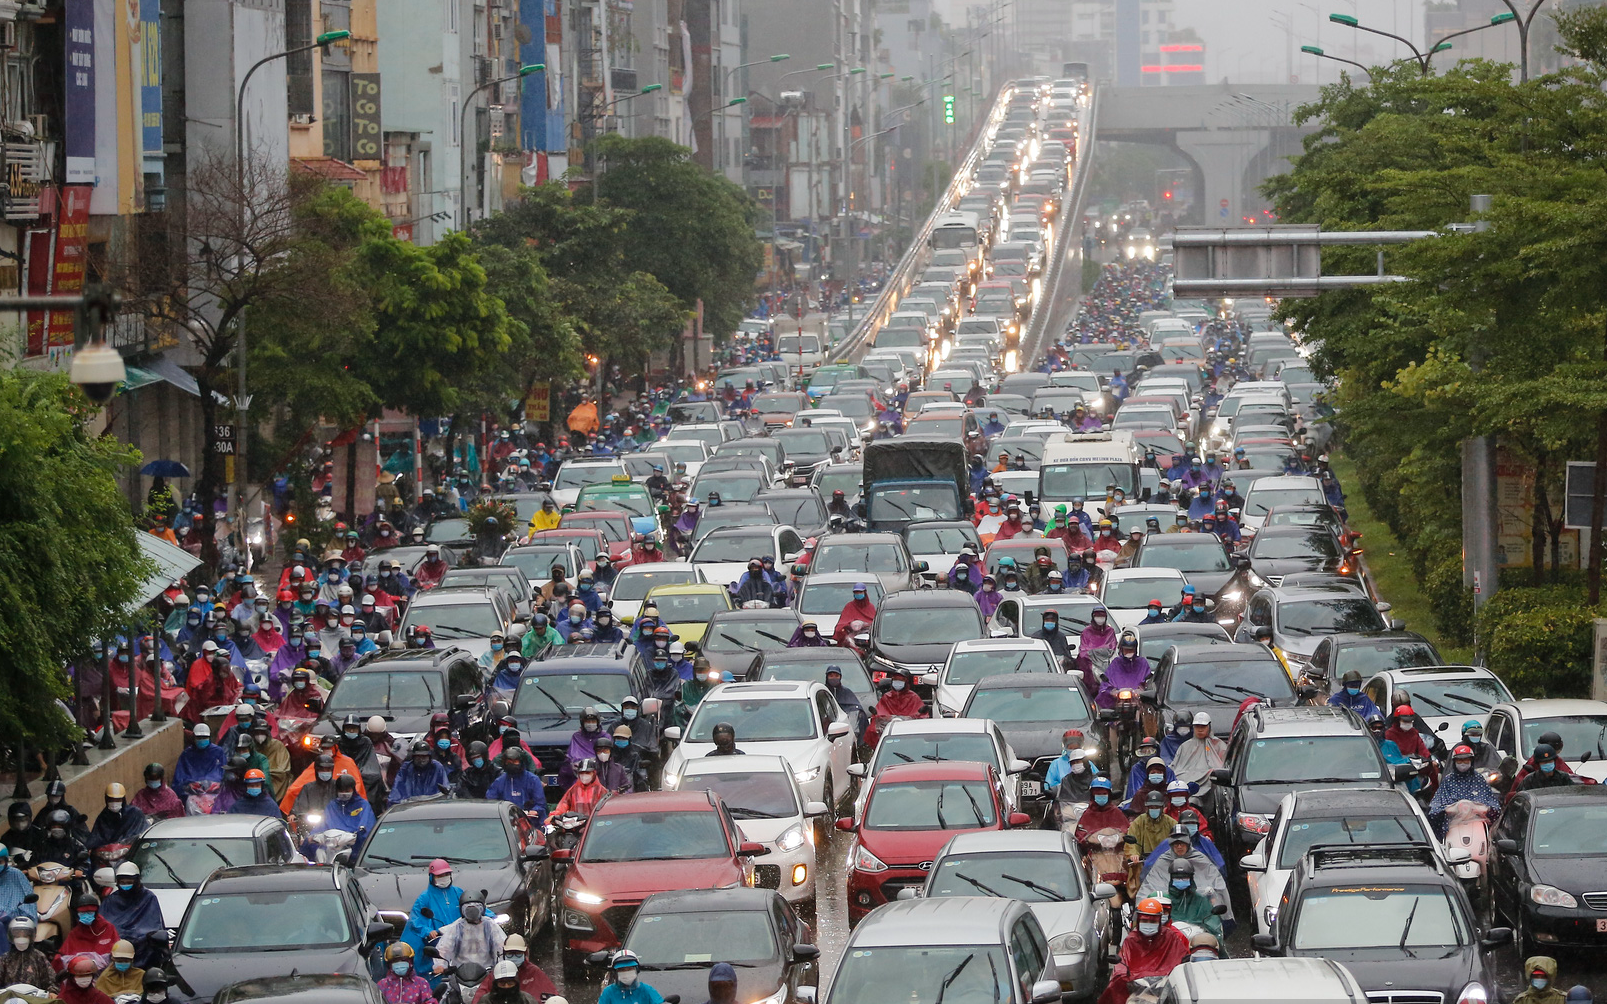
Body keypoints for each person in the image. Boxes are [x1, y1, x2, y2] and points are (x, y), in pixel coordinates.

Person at [1096, 897, 1188, 1004]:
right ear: (1138, 920)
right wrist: (1123, 976)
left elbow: (1182, 960)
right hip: (1136, 989)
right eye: (1145, 920)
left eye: (1153, 921)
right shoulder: (1132, 939)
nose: (1148, 924)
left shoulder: (1170, 937)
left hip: (1165, 988)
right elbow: (1122, 963)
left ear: (1159, 921)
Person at [1428, 744, 1502, 838]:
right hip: (1452, 825)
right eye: (1459, 760)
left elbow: (1493, 804)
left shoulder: (1478, 779)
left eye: (1466, 760)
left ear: (1471, 761)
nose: (1463, 763)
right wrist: (1449, 810)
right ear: (1454, 762)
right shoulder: (1448, 780)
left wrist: (1483, 809)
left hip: (1477, 825)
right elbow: (1435, 805)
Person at [99, 863, 162, 969]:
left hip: (140, 949)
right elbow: (102, 924)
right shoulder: (111, 900)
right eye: (122, 882)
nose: (125, 885)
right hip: (113, 947)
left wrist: (133, 939)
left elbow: (152, 927)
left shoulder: (148, 898)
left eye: (129, 882)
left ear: (137, 881)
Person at [432, 890, 506, 979]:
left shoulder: (490, 925)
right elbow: (444, 948)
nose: (472, 911)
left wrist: (503, 965)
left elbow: (501, 946)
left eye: (476, 907)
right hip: (460, 975)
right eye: (468, 907)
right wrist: (440, 965)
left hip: (487, 975)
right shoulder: (457, 927)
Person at [471, 933, 558, 1003]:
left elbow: (553, 997)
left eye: (518, 953)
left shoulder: (533, 973)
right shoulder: (497, 973)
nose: (506, 986)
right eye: (510, 953)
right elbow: (480, 996)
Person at [1153, 858, 1223, 941]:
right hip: (1168, 940)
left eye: (1185, 878)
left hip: (1196, 940)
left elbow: (1213, 924)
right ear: (1171, 879)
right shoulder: (1164, 900)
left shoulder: (1201, 900)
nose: (1181, 880)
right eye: (1177, 878)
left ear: (1191, 878)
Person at [55, 891, 118, 973]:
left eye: (90, 913)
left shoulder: (107, 928)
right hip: (79, 973)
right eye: (83, 913)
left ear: (96, 912)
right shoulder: (75, 933)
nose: (86, 916)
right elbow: (65, 956)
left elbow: (115, 954)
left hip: (104, 973)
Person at [315, 774, 376, 856]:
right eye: (341, 790)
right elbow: (323, 823)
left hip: (354, 844)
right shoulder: (332, 805)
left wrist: (360, 833)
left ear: (353, 789)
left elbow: (367, 823)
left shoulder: (362, 804)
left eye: (347, 790)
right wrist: (313, 836)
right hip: (332, 844)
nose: (344, 793)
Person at [1169, 713, 1227, 793]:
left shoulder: (1218, 744)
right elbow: (1175, 767)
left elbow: (1225, 765)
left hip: (1209, 779)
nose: (1200, 730)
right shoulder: (1185, 746)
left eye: (1203, 727)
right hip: (1187, 777)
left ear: (1209, 727)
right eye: (1197, 727)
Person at [486, 749, 548, 822]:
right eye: (509, 762)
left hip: (531, 822)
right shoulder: (500, 781)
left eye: (515, 762)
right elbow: (491, 801)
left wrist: (535, 811)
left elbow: (540, 803)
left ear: (521, 762)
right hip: (507, 822)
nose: (512, 765)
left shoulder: (532, 780)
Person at [172, 724, 227, 800]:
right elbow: (179, 778)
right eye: (199, 738)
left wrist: (214, 784)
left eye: (204, 737)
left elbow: (222, 772)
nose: (201, 740)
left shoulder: (218, 752)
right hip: (192, 793)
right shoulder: (187, 754)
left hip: (213, 792)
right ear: (194, 738)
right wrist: (189, 786)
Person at [0, 916, 55, 990]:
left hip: (33, 998)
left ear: (32, 936)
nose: (21, 938)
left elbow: (52, 981)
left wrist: (52, 991)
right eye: (17, 935)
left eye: (25, 935)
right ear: (11, 936)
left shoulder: (39, 957)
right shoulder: (5, 959)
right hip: (10, 998)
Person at [597, 950, 665, 1004]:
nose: (626, 972)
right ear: (615, 973)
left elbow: (658, 1002)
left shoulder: (646, 990)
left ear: (637, 970)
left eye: (630, 969)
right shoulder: (608, 992)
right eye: (622, 969)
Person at [1128, 792, 1175, 858]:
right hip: (1144, 861)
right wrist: (1134, 854)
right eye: (1151, 807)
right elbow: (1131, 841)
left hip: (1166, 859)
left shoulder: (1170, 822)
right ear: (1147, 808)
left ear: (1162, 807)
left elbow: (1178, 840)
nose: (1154, 809)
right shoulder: (1139, 821)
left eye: (1157, 807)